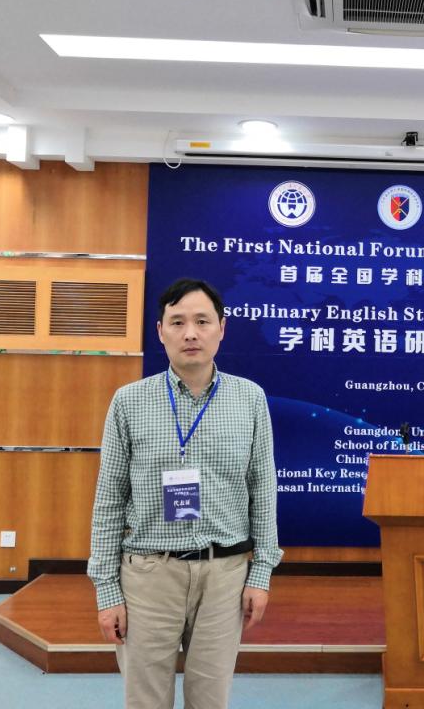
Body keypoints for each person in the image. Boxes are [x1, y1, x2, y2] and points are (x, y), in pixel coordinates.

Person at [88, 278, 282, 709]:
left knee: (210, 701)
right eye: (177, 322)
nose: (190, 333)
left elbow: (263, 489)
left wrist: (261, 574)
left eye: (202, 321)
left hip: (224, 575)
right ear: (160, 331)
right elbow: (109, 500)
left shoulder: (250, 399)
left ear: (221, 328)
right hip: (149, 576)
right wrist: (107, 590)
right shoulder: (129, 402)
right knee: (146, 701)